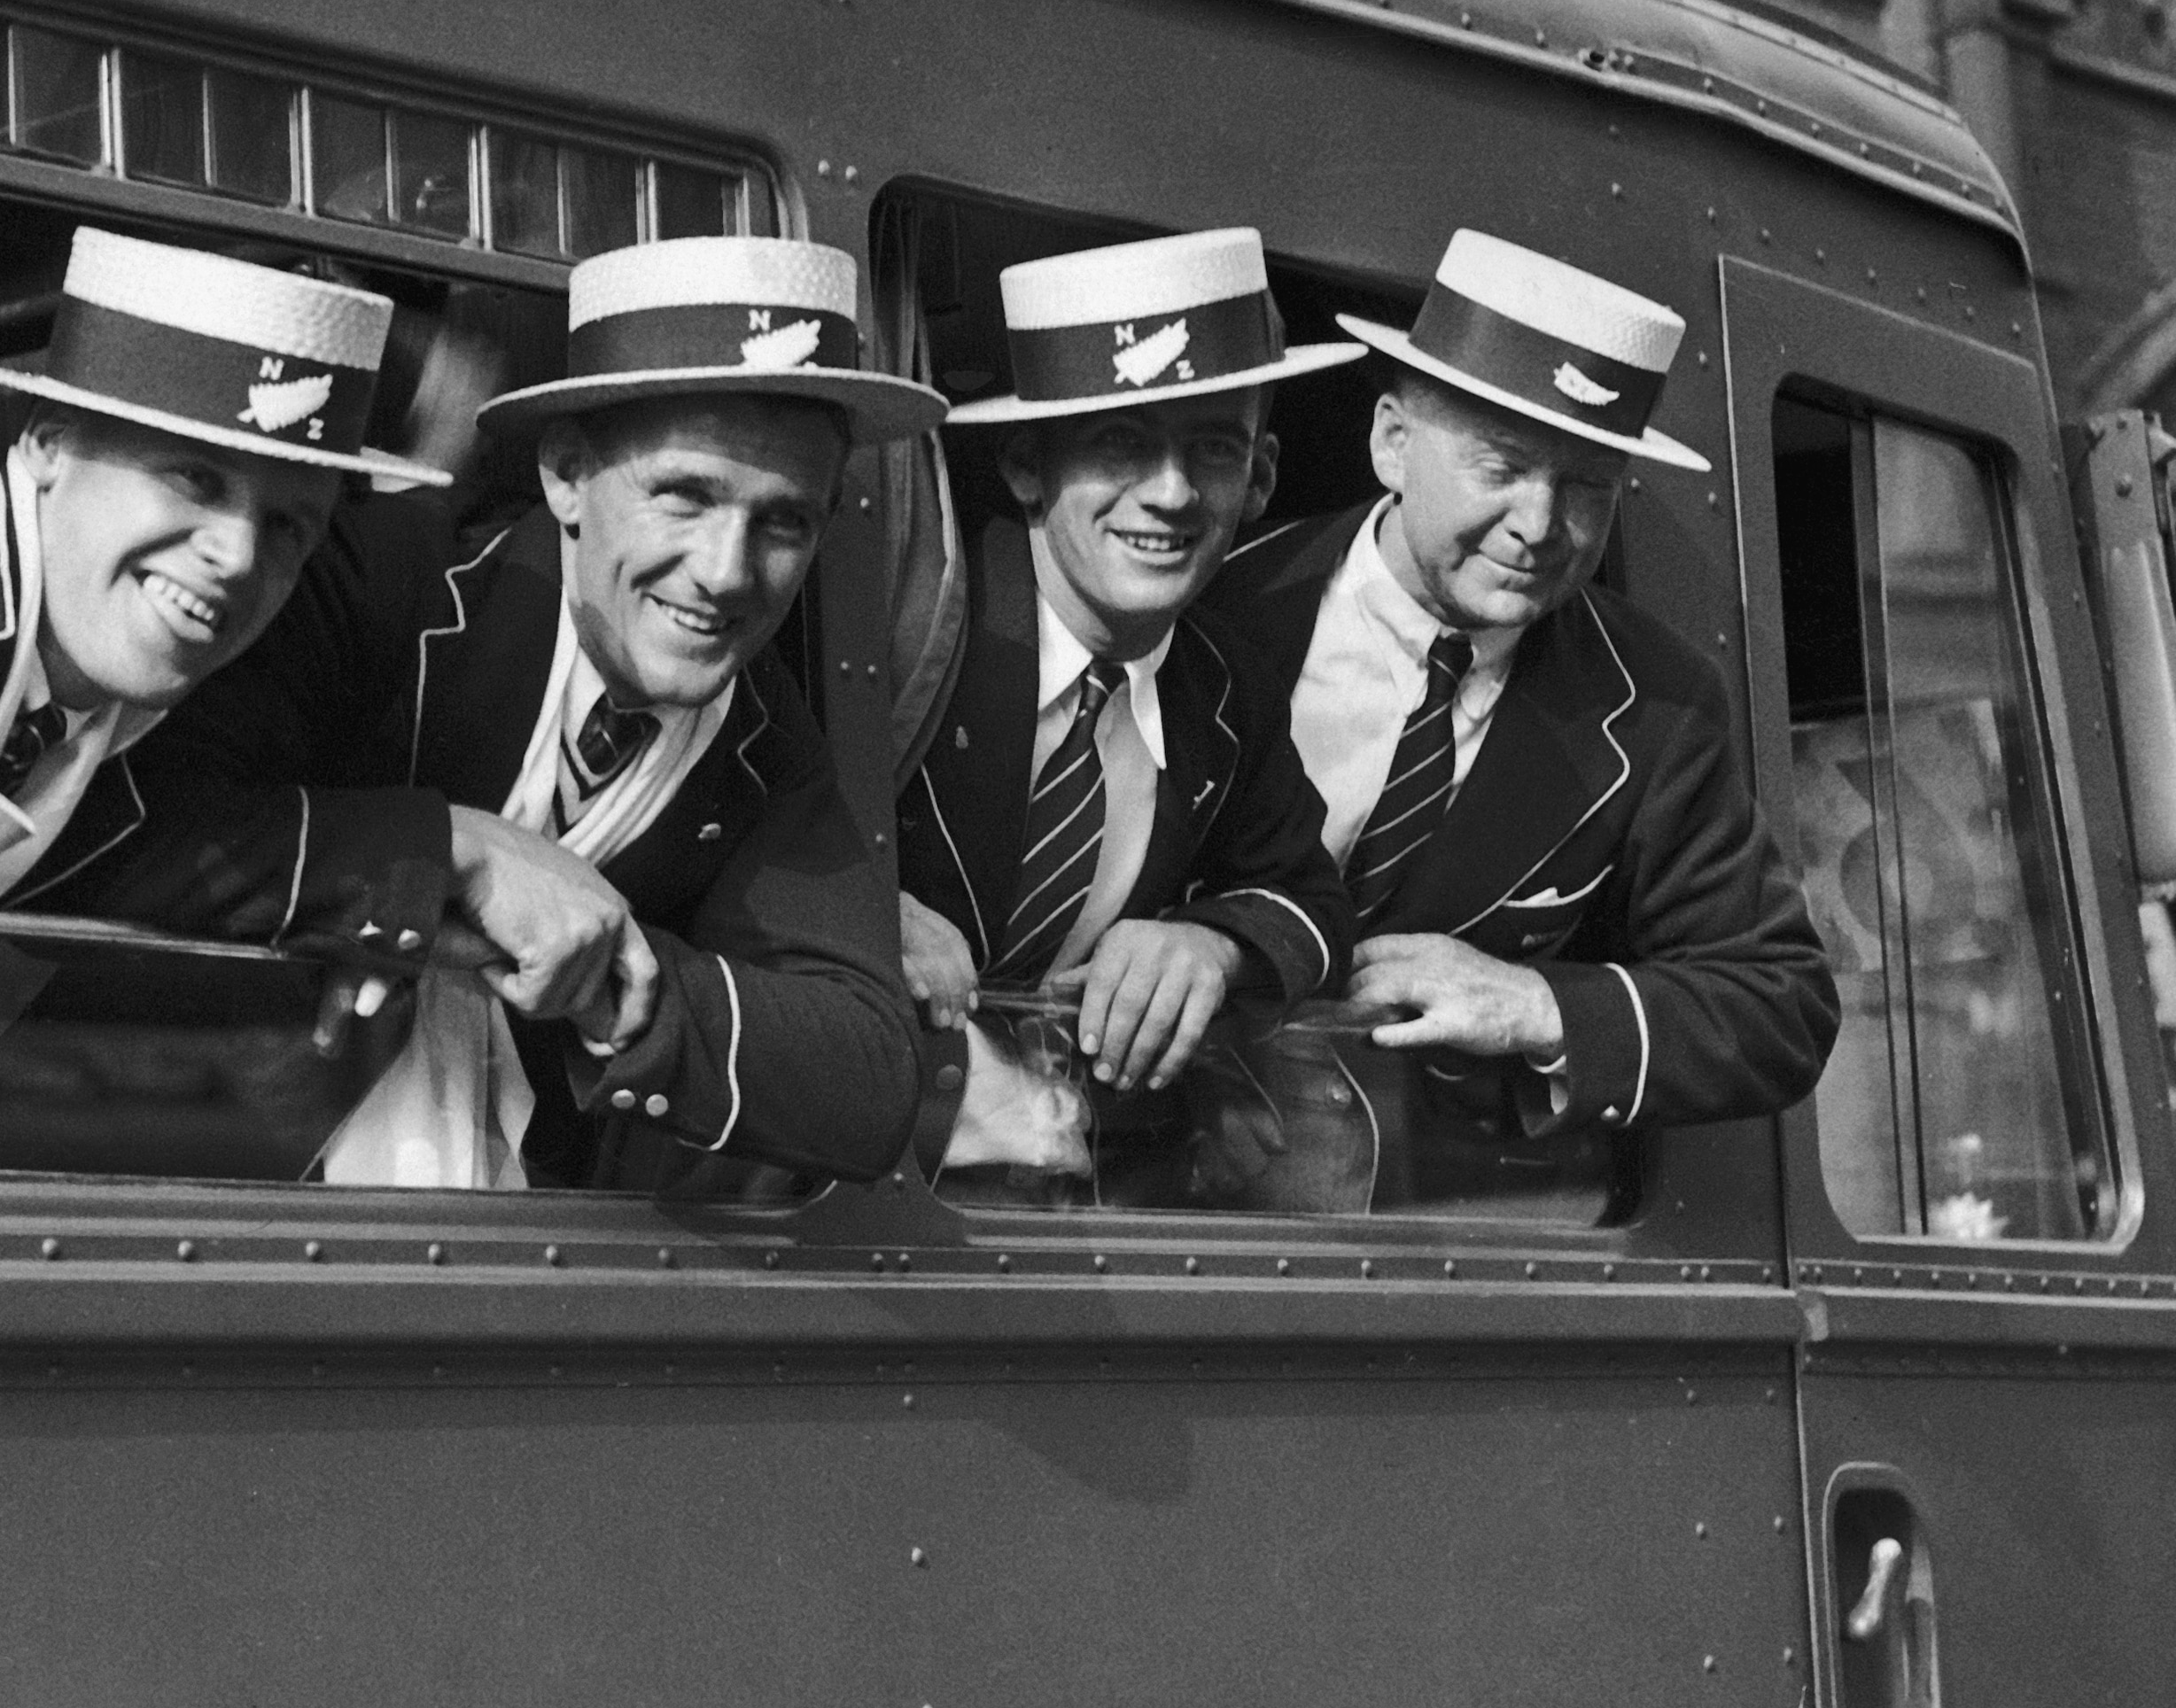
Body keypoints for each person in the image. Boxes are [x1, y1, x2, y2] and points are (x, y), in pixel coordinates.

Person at [128, 234, 941, 1188]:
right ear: (562, 473)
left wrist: (596, 966)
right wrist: (448, 854)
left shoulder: (765, 738)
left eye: (783, 521)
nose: (726, 572)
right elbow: (135, 825)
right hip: (181, 1190)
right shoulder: (379, 579)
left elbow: (865, 1078)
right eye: (683, 497)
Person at [0, 224, 449, 1160]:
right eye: (193, 477)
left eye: (289, 523)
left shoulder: (122, 703)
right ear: (50, 443)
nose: (238, 554)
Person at [1208, 229, 1833, 1143]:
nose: (1538, 525)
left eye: (1584, 487)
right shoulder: (1219, 611)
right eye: (1498, 469)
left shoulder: (1656, 702)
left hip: (1433, 1226)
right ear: (1390, 442)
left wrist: (1535, 1003)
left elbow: (1780, 1004)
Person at [897, 226, 1354, 1150]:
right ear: (1025, 464)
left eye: (1215, 451)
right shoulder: (910, 615)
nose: (1172, 493)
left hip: (1047, 1182)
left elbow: (1310, 903)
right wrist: (860, 904)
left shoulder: (1223, 687)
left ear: (1259, 481)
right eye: (1120, 442)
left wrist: (1211, 942)